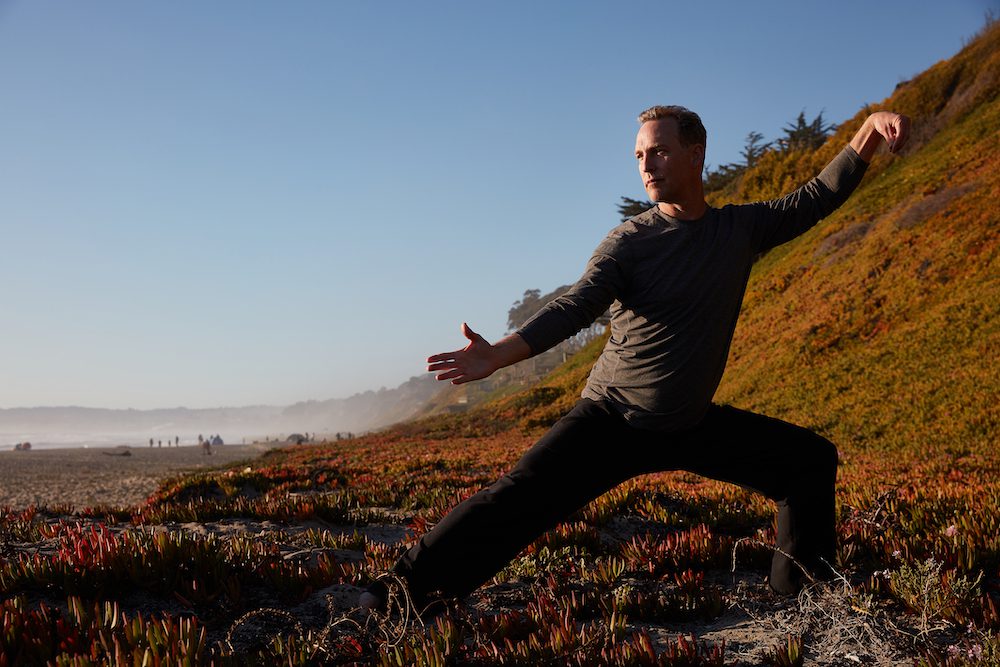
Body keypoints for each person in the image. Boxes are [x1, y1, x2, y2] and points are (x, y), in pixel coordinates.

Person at [361, 106, 910, 613]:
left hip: (688, 423)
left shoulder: (737, 231)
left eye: (659, 151)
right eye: (639, 156)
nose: (646, 165)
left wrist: (868, 130)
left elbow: (813, 199)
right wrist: (499, 355)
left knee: (807, 462)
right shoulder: (630, 242)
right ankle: (401, 595)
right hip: (613, 420)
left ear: (696, 154)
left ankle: (805, 598)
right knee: (518, 499)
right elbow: (575, 307)